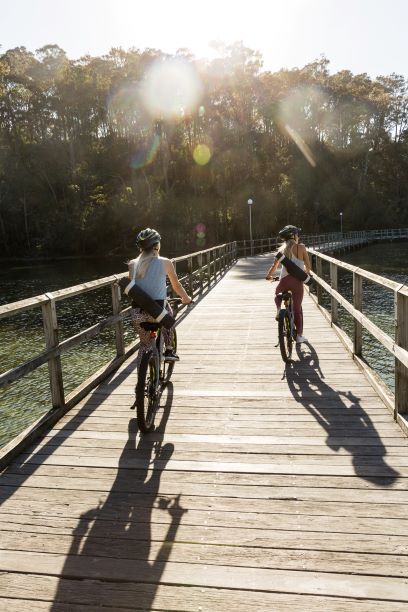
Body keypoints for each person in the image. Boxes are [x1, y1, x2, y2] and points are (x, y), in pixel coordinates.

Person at [128, 228, 192, 363]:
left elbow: (132, 288)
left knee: (144, 346)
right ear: (157, 245)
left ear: (140, 248)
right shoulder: (165, 262)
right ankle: (169, 350)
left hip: (137, 313)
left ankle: (141, 382)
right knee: (168, 318)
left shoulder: (132, 264)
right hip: (158, 312)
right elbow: (176, 286)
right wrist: (186, 298)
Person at [265, 225, 311, 343]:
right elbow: (308, 267)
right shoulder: (301, 247)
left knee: (277, 293)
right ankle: (299, 336)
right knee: (297, 310)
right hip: (297, 284)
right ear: (294, 236)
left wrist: (269, 276)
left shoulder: (281, 251)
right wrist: (303, 273)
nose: (298, 236)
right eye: (297, 234)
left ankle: (279, 308)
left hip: (284, 282)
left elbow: (274, 267)